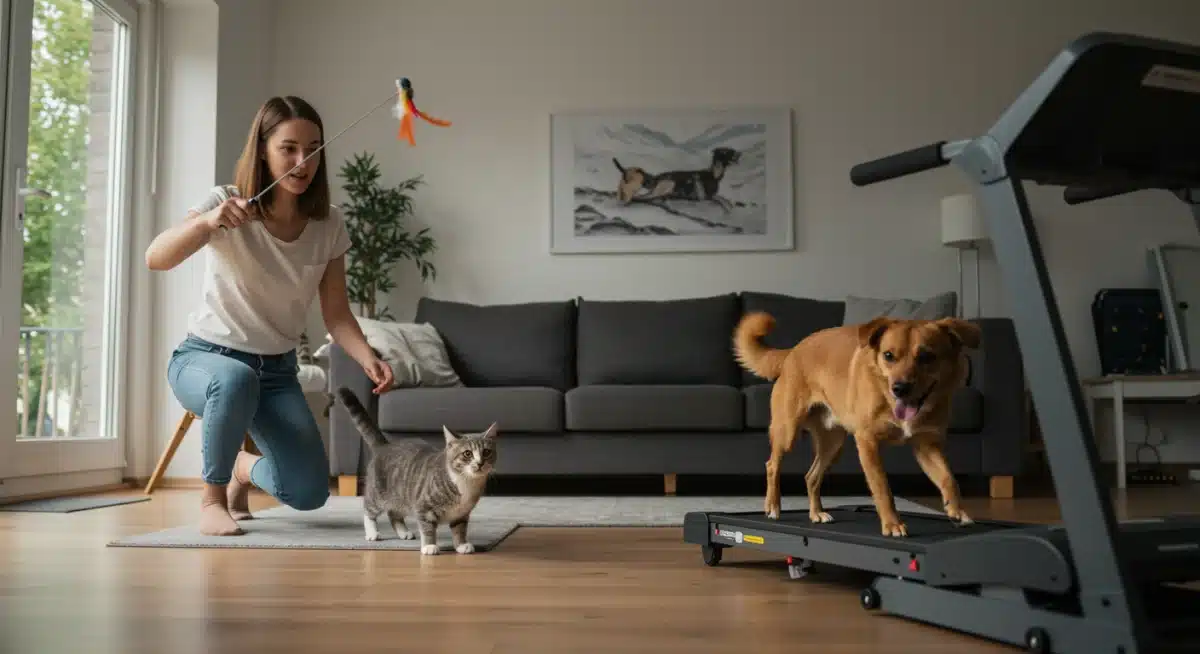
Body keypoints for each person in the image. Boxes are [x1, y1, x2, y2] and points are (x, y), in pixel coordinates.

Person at [145, 96, 395, 536]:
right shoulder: (225, 201)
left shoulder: (329, 224)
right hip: (205, 361)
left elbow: (337, 313)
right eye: (289, 148)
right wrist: (206, 223)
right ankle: (212, 499)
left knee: (309, 492)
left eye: (313, 149)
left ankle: (241, 469)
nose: (303, 162)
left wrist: (367, 357)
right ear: (262, 150)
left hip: (276, 373)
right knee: (234, 379)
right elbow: (156, 258)